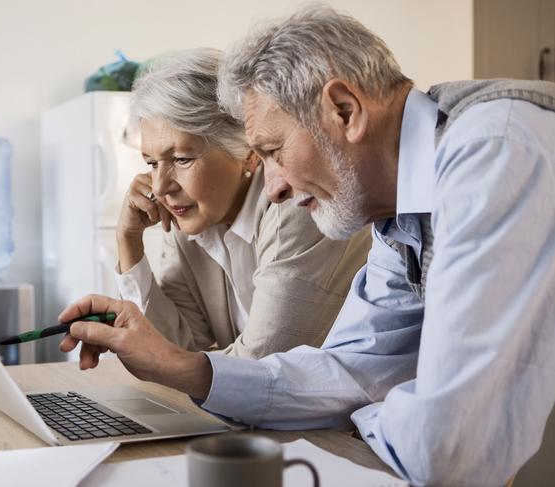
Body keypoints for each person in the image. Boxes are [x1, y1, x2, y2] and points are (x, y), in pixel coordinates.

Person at [59, 7, 555, 486]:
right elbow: (350, 371)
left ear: (344, 111)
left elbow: (448, 450)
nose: (272, 186)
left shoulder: (495, 151)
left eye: (273, 152)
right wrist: (189, 370)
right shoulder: (399, 209)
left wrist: (367, 413)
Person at [112, 48, 370, 359]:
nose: (160, 186)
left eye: (181, 159)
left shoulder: (296, 202)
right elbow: (170, 350)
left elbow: (262, 365)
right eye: (152, 163)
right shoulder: (188, 219)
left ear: (247, 150)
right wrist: (128, 242)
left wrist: (169, 362)